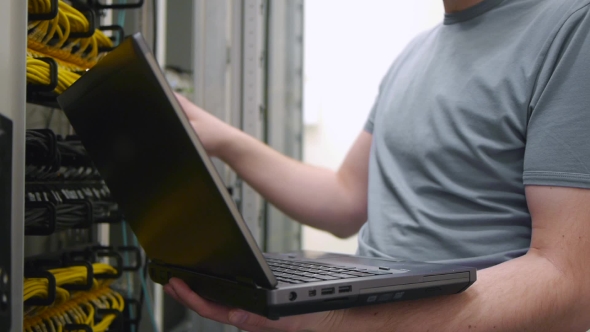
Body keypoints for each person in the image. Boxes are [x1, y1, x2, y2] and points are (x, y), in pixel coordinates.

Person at [165, 0, 590, 330]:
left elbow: (570, 285)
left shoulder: (572, 28)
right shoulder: (417, 51)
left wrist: (336, 322)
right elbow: (346, 197)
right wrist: (221, 139)